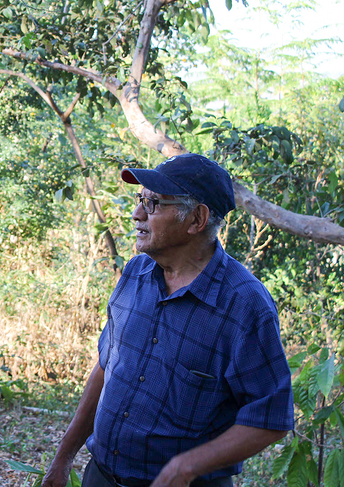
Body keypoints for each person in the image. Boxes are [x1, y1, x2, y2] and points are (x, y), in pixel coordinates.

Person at [43, 154, 294, 487]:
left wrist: (186, 467)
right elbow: (107, 366)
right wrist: (63, 456)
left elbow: (271, 418)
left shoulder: (244, 305)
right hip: (101, 475)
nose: (137, 214)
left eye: (153, 203)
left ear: (196, 219)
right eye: (140, 199)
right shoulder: (135, 273)